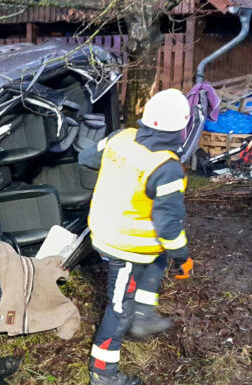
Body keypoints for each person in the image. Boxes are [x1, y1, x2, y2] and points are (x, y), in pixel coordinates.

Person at [79, 89, 194, 385]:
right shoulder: (166, 168)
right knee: (118, 309)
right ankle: (103, 375)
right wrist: (182, 256)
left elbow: (88, 158)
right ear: (182, 128)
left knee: (158, 257)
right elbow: (168, 225)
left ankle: (142, 317)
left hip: (105, 225)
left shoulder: (121, 137)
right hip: (125, 244)